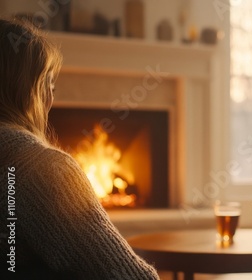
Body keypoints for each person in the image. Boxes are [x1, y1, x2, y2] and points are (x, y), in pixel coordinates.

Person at [0, 19, 159, 279]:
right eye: (48, 86)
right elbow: (133, 277)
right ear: (28, 92)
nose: (52, 99)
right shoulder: (45, 170)